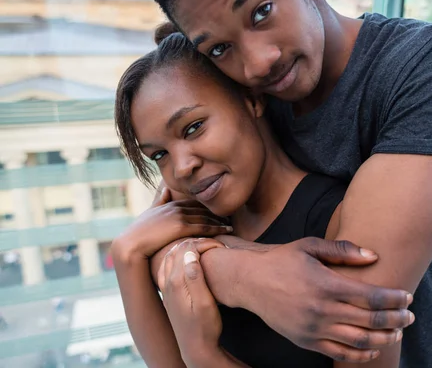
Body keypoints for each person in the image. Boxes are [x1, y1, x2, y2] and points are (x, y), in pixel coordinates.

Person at [143, 0, 432, 366]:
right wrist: (237, 273)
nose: (257, 64)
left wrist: (238, 274)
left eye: (261, 12)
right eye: (220, 48)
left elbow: (354, 311)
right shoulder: (237, 95)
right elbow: (167, 231)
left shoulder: (429, 62)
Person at [112, 31, 414, 367]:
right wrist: (127, 254)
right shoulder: (191, 224)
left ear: (251, 99)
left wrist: (203, 353)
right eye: (159, 155)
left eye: (193, 127)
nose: (181, 167)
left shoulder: (339, 223)